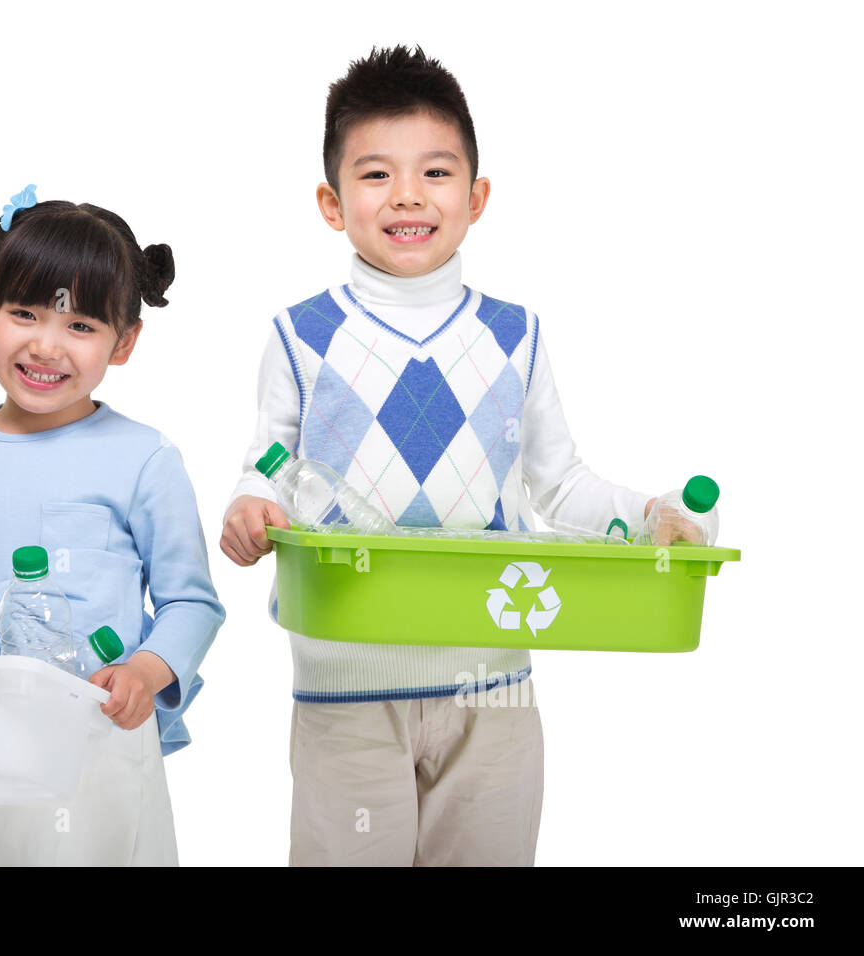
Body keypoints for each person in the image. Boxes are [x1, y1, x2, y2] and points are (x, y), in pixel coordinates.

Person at [221, 46, 693, 866]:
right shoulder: (301, 335)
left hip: (494, 690)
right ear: (332, 205)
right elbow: (268, 464)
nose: (407, 195)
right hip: (345, 688)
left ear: (475, 198)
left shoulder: (517, 335)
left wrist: (650, 516)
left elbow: (562, 483)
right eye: (375, 176)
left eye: (435, 173)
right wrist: (247, 503)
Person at [0, 186, 225, 866]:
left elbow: (191, 601)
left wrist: (144, 673)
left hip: (91, 734)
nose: (46, 344)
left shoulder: (142, 458)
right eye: (24, 312)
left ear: (124, 342)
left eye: (81, 326)